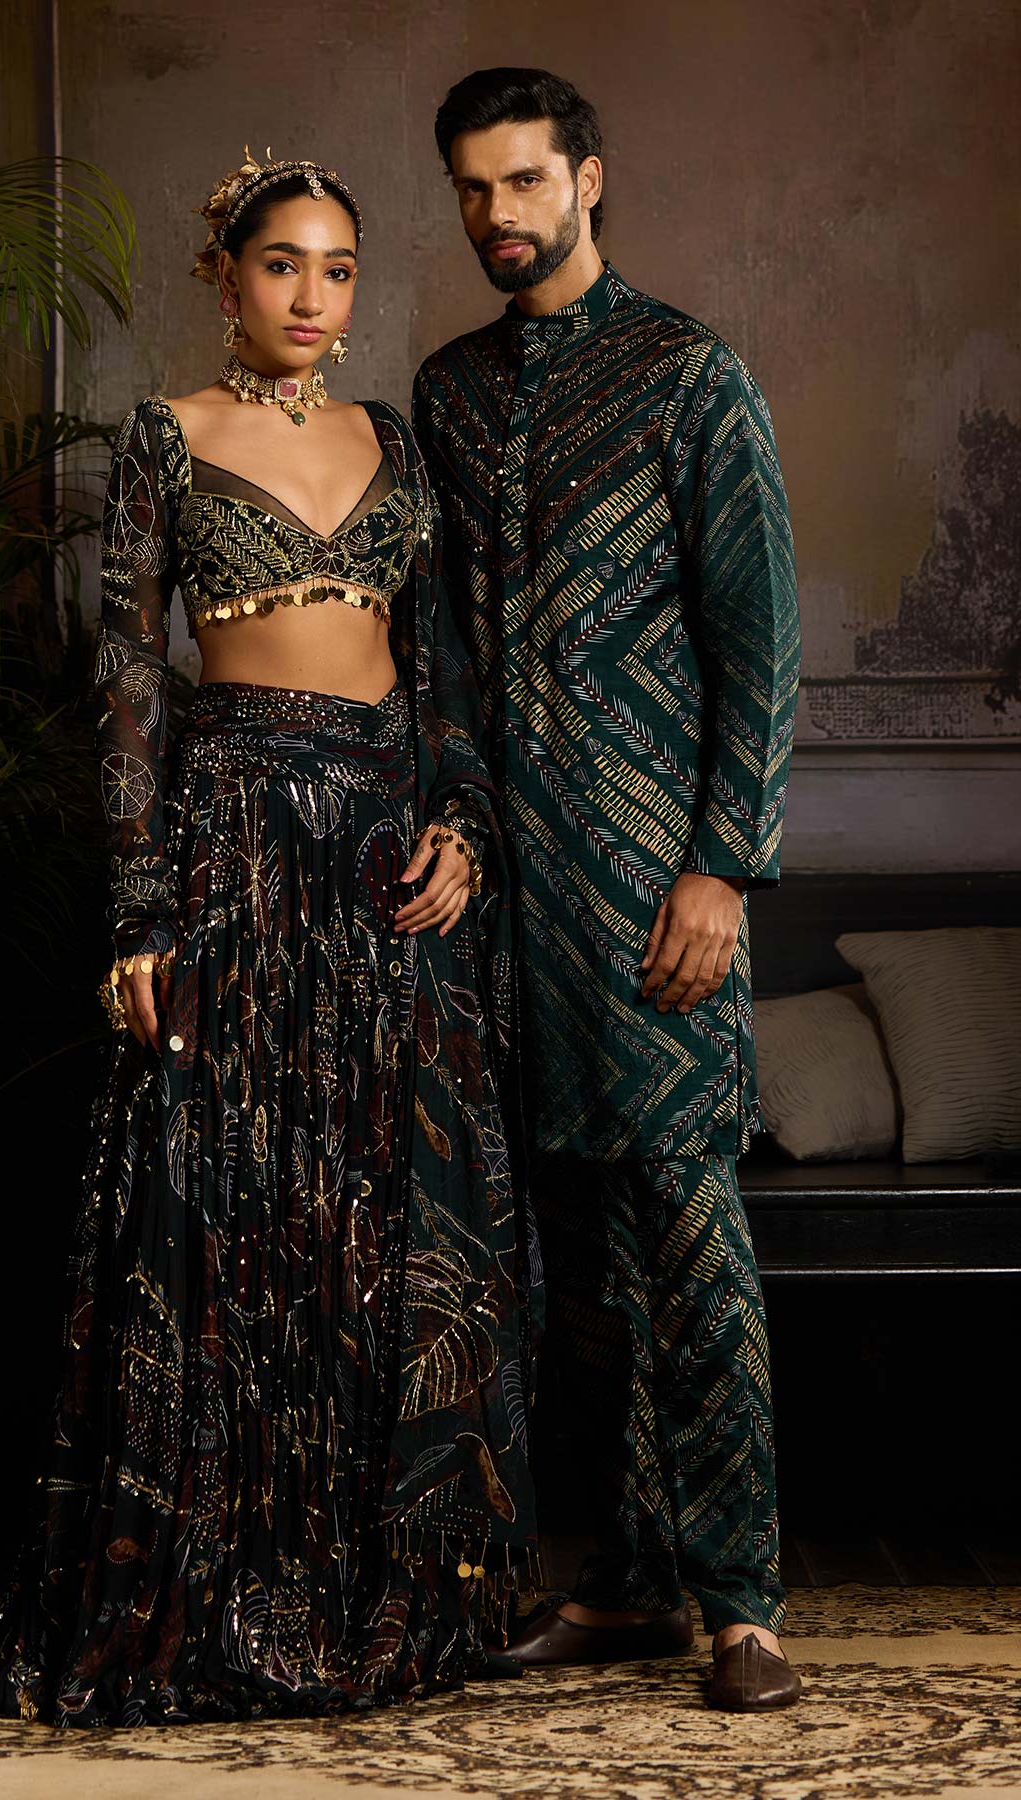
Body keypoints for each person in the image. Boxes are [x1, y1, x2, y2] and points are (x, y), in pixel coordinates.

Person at [0, 149, 540, 1727]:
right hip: (235, 851)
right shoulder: (166, 437)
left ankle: (376, 1592)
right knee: (227, 1206)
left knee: (382, 1210)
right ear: (224, 274)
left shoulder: (394, 440)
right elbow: (128, 684)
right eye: (283, 264)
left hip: (383, 861)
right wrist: (143, 909)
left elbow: (444, 673)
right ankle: (212, 1595)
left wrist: (461, 826)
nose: (313, 297)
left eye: (339, 269)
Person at [412, 70, 803, 1712]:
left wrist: (724, 865)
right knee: (575, 1272)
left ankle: (742, 1605)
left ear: (590, 180)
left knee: (692, 1241)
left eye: (525, 180)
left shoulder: (688, 376)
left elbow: (759, 641)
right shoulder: (450, 394)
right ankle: (631, 1581)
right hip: (513, 909)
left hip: (659, 896)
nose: (498, 212)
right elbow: (441, 647)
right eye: (473, 188)